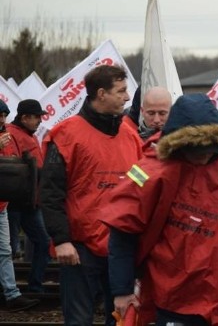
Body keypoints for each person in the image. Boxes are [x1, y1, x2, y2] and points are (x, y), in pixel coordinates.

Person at [103, 93, 218, 326]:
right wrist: (122, 289)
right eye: (197, 152)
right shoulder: (152, 171)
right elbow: (123, 231)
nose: (204, 157)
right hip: (174, 296)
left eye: (210, 150)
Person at [40, 64, 142, 326]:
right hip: (79, 248)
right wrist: (61, 240)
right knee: (78, 320)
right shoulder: (65, 134)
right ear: (101, 93)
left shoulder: (131, 135)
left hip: (120, 247)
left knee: (121, 319)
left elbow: (142, 190)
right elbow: (50, 193)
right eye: (120, 91)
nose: (127, 97)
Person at [6, 99, 51, 293]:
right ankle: (23, 288)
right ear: (24, 118)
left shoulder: (26, 135)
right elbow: (14, 168)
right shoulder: (12, 135)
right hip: (16, 202)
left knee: (40, 243)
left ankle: (34, 287)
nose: (40, 121)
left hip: (29, 202)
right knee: (10, 248)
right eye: (37, 117)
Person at [0, 99, 40, 311]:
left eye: (4, 115)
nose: (2, 119)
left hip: (2, 205)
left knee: (5, 251)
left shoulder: (7, 136)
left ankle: (11, 294)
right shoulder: (7, 137)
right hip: (5, 205)